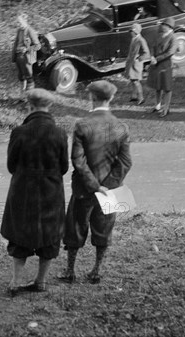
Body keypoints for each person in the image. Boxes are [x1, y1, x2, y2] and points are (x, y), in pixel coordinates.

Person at [58, 81, 132, 284]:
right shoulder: (120, 127)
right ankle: (96, 270)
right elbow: (126, 162)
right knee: (104, 229)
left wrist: (94, 185)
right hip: (111, 189)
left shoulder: (83, 125)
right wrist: (108, 185)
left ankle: (70, 270)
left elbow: (78, 160)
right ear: (111, 98)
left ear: (92, 98)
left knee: (75, 228)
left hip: (84, 187)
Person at [0, 89, 69, 295]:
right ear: (50, 107)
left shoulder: (19, 132)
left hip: (23, 189)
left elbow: (11, 165)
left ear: (29, 105)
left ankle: (15, 280)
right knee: (49, 234)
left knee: (20, 233)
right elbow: (64, 167)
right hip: (51, 190)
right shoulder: (60, 133)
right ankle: (41, 280)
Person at [148, 17, 177, 118]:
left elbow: (170, 52)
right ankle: (157, 106)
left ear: (169, 27)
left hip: (165, 66)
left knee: (167, 87)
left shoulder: (173, 38)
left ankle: (166, 108)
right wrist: (151, 56)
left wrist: (157, 58)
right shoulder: (159, 35)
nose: (161, 26)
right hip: (156, 64)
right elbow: (152, 46)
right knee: (157, 86)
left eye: (164, 24)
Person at [12, 13, 41, 91]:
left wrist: (27, 49)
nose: (18, 24)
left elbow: (38, 46)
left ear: (25, 21)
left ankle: (31, 97)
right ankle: (23, 96)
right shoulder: (19, 31)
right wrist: (14, 56)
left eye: (19, 22)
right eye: (17, 22)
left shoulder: (30, 31)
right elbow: (16, 43)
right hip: (18, 56)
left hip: (27, 57)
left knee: (29, 76)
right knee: (21, 76)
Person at [124, 23, 150, 105]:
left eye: (131, 31)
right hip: (131, 64)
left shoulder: (141, 40)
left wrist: (139, 59)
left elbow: (147, 53)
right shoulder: (134, 39)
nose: (130, 33)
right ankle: (134, 96)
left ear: (136, 32)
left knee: (136, 81)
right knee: (132, 80)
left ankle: (141, 98)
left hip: (136, 64)